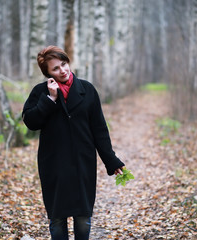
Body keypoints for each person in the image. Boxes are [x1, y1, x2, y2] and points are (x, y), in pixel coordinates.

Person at [22, 45, 125, 240]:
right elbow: (30, 122)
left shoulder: (87, 89)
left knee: (83, 218)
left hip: (82, 162)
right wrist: (50, 99)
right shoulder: (41, 92)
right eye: (55, 69)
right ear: (47, 73)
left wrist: (111, 160)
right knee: (57, 218)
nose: (62, 70)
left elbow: (99, 129)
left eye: (63, 64)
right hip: (53, 164)